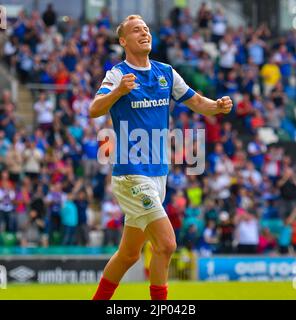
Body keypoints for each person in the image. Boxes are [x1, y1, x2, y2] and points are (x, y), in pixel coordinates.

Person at [89, 15, 233, 300]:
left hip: (158, 175)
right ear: (123, 41)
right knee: (166, 244)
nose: (144, 33)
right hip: (132, 174)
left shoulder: (165, 72)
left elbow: (196, 102)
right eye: (135, 30)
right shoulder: (118, 74)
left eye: (146, 28)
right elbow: (94, 109)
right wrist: (118, 91)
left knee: (129, 254)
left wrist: (217, 106)